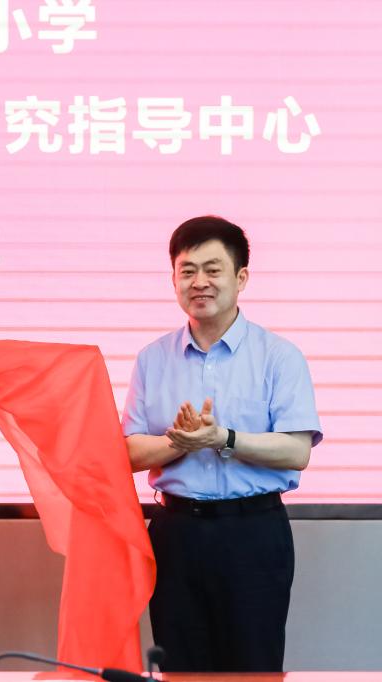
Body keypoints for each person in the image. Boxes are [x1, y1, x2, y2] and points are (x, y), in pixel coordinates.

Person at [121, 216, 322, 673]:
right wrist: (179, 443)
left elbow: (297, 452)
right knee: (180, 667)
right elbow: (129, 452)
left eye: (213, 270)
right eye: (187, 271)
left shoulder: (279, 356)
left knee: (253, 667)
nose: (199, 282)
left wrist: (223, 438)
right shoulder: (152, 359)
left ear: (241, 277)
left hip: (253, 532)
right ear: (173, 279)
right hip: (175, 534)